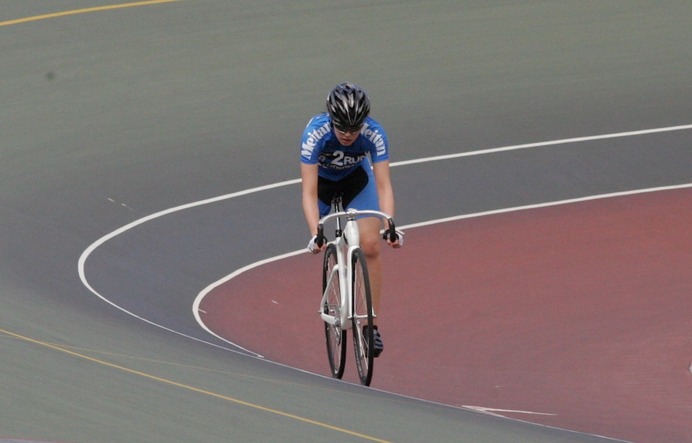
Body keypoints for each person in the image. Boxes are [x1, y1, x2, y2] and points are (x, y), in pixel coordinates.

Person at [300, 82, 402, 357]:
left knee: (370, 246)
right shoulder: (315, 134)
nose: (348, 134)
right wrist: (315, 232)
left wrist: (389, 224)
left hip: (356, 182)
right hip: (323, 185)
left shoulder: (375, 133)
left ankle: (371, 325)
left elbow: (383, 185)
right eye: (342, 127)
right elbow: (308, 193)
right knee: (324, 235)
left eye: (354, 128)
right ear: (332, 120)